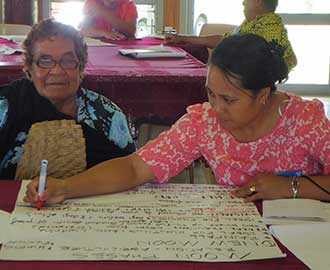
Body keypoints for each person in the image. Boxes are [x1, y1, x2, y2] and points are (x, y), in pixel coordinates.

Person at [24, 33, 330, 206]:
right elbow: (134, 168)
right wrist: (66, 187)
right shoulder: (205, 122)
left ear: (263, 95)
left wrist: (291, 187)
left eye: (229, 99)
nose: (216, 108)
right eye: (211, 94)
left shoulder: (304, 120)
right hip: (240, 241)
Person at [0, 18, 135, 179]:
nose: (57, 71)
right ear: (29, 69)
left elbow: (129, 173)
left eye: (68, 61)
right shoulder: (6, 108)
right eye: (45, 61)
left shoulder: (108, 115)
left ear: (81, 68)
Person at [165, 0, 297, 71]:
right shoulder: (253, 22)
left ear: (258, 1)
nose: (243, 2)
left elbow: (261, 66)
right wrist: (183, 38)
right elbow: (225, 40)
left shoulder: (270, 24)